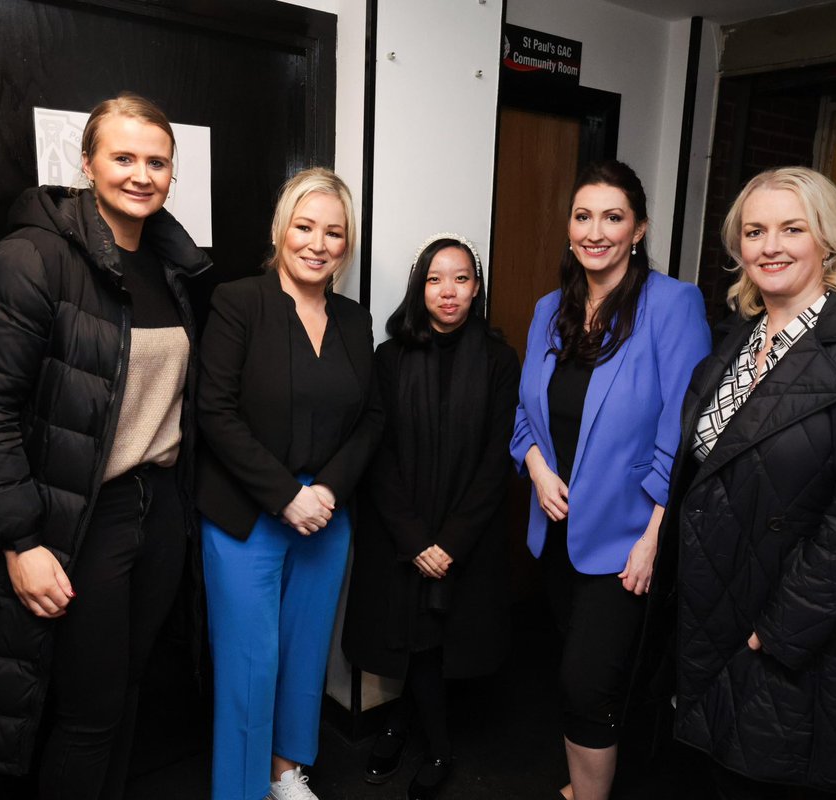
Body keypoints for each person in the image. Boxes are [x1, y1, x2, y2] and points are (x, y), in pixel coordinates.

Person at [0, 93, 211, 797]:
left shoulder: (173, 268)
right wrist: (20, 541)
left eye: (157, 161)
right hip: (74, 516)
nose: (141, 174)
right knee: (88, 710)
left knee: (126, 692)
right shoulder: (31, 257)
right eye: (123, 157)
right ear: (87, 162)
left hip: (156, 512)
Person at [662, 166, 836, 799]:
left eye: (792, 228)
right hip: (722, 609)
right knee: (725, 771)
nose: (770, 246)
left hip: (807, 631)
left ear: (828, 240)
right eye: (754, 231)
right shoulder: (739, 336)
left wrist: (778, 631)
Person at [510, 160, 710, 800]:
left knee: (587, 682)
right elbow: (526, 413)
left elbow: (686, 430)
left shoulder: (673, 305)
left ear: (639, 229)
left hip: (627, 540)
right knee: (579, 674)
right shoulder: (550, 308)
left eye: (613, 217)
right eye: (583, 215)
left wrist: (655, 533)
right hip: (560, 532)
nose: (596, 231)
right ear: (569, 228)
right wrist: (537, 468)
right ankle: (581, 788)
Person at [197, 167, 384, 800]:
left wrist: (327, 490)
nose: (318, 243)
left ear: (347, 245)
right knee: (251, 665)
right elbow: (214, 411)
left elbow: (374, 416)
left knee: (306, 654)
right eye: (305, 227)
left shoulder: (356, 321)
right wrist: (285, 495)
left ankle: (285, 772)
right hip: (249, 513)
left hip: (326, 516)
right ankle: (242, 790)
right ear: (281, 231)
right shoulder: (238, 302)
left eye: (334, 233)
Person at [342, 233, 520, 799]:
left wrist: (452, 541)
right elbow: (378, 450)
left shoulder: (498, 359)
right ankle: (417, 731)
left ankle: (421, 736)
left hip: (466, 532)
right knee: (409, 637)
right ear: (420, 287)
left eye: (462, 278)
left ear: (476, 289)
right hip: (401, 530)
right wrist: (417, 539)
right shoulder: (388, 358)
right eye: (436, 279)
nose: (449, 291)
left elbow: (499, 456)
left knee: (442, 639)